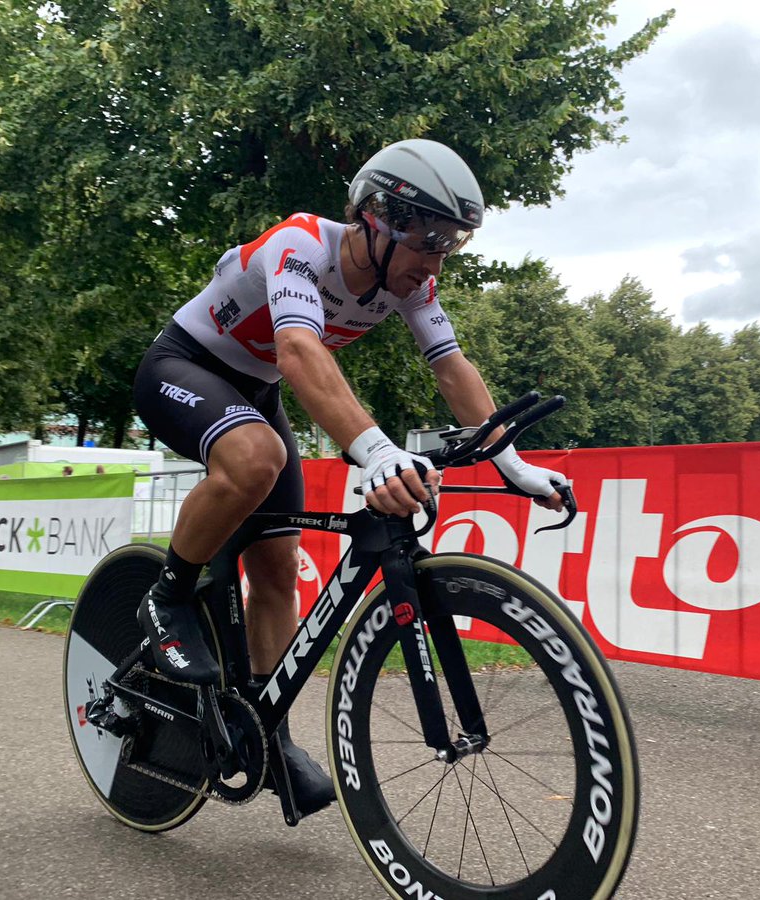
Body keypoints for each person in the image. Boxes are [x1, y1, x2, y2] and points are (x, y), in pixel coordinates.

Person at [132, 138, 569, 818]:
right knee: (257, 457)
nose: (435, 262)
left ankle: (268, 735)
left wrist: (509, 462)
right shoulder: (300, 245)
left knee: (277, 569)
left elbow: (451, 366)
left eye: (451, 244)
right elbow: (298, 349)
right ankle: (169, 595)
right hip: (183, 366)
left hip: (255, 392)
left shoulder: (413, 283)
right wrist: (376, 451)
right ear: (376, 219)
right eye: (428, 241)